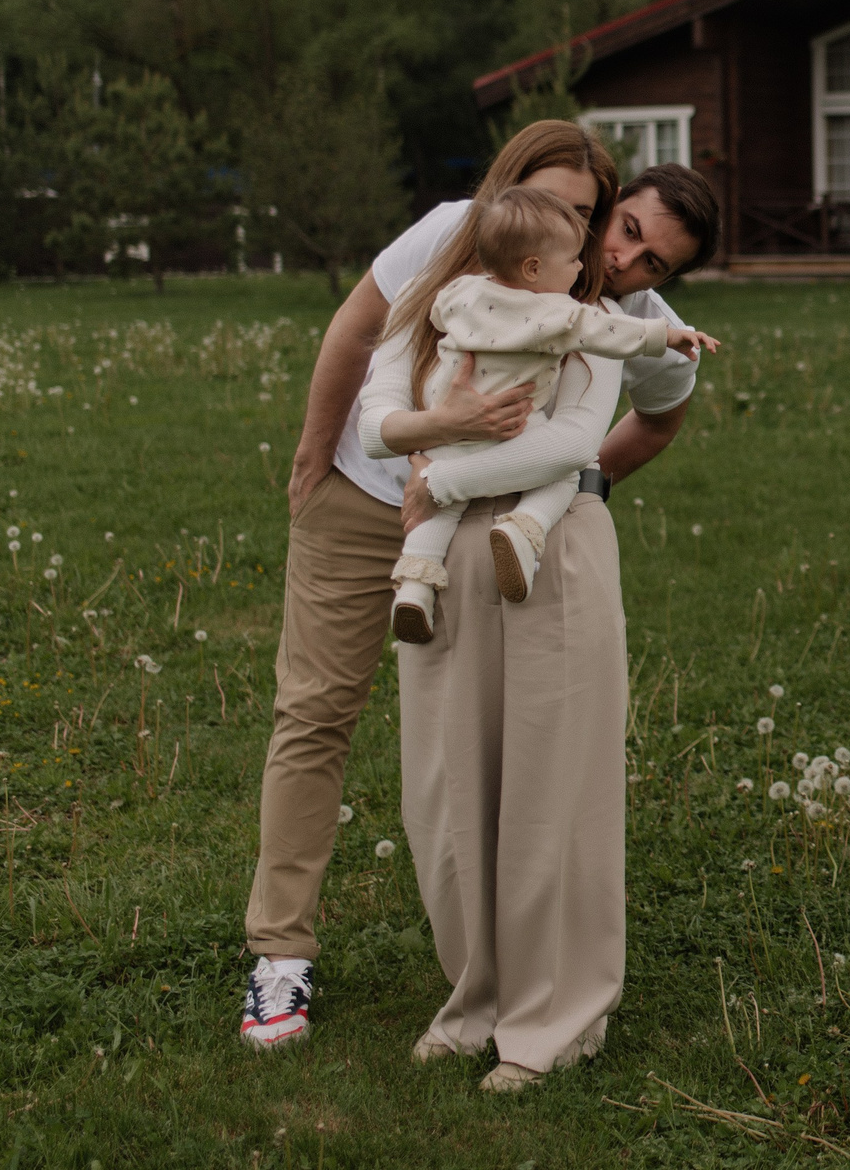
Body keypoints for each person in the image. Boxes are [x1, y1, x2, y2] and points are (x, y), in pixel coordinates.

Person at [239, 121, 719, 1051]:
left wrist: (578, 486)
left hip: (474, 528)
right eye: (615, 226)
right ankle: (280, 953)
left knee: (472, 744)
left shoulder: (626, 320)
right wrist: (312, 457)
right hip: (365, 495)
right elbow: (358, 329)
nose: (614, 251)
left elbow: (661, 417)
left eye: (644, 253)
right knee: (316, 710)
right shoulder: (452, 235)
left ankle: (500, 963)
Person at [375, 185, 714, 641]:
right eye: (629, 230)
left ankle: (415, 588)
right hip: (509, 426)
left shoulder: (461, 289)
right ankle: (525, 529)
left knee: (445, 512)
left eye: (652, 263)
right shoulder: (564, 313)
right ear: (609, 202)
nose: (620, 260)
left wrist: (441, 469)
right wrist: (668, 336)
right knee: (570, 472)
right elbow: (610, 334)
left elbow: (437, 315)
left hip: (445, 437)